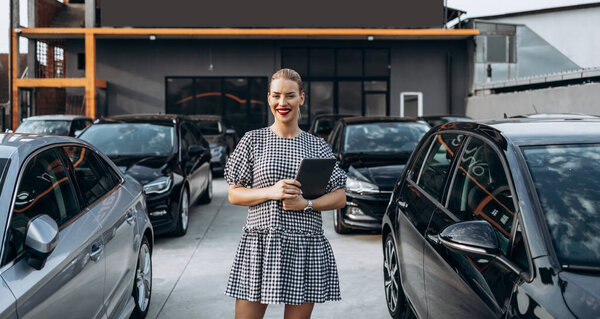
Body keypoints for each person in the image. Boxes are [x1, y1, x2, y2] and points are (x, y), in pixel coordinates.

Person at [224, 68, 347, 319]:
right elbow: (234, 194)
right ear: (268, 98)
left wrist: (306, 205)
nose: (283, 103)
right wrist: (271, 191)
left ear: (301, 98)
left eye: (290, 96)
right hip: (261, 245)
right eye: (276, 96)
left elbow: (341, 196)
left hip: (305, 245)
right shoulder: (253, 140)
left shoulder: (317, 145)